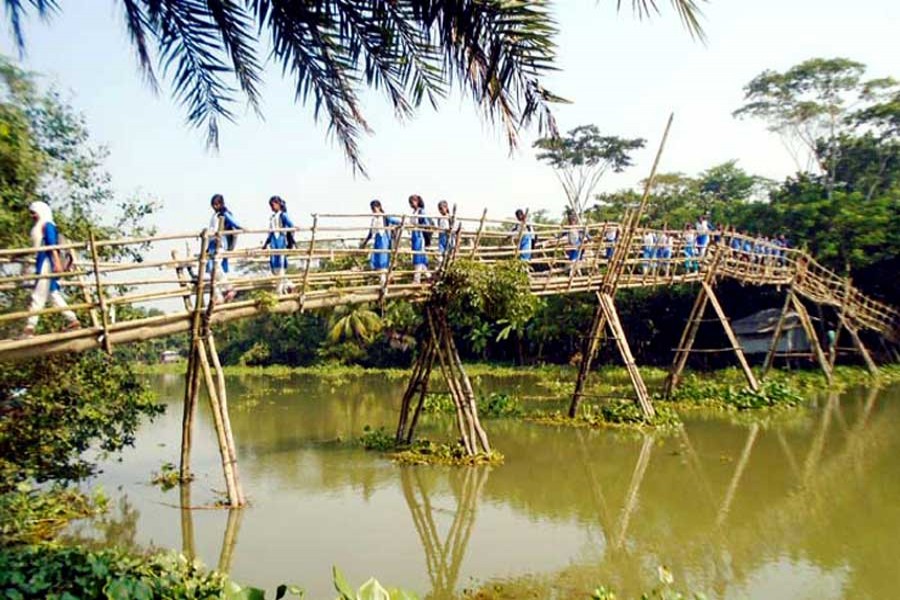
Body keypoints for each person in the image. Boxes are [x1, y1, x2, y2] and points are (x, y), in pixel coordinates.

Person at [20, 201, 79, 338]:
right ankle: (72, 319)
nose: (32, 216)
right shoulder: (41, 226)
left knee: (37, 296)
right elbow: (34, 248)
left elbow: (52, 246)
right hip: (44, 263)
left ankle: (30, 328)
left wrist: (57, 263)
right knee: (53, 295)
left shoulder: (48, 225)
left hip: (46, 264)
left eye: (34, 213)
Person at [207, 194, 241, 303]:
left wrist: (242, 228)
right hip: (212, 244)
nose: (215, 206)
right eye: (213, 205)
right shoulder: (214, 216)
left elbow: (234, 223)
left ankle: (229, 288)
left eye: (217, 204)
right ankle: (218, 296)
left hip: (221, 243)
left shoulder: (224, 214)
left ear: (221, 204)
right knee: (210, 269)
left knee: (216, 266)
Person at [360, 199, 400, 284]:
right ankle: (386, 279)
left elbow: (397, 221)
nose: (374, 211)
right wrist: (364, 242)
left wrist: (396, 228)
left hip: (384, 240)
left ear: (379, 207)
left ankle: (384, 282)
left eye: (374, 209)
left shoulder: (385, 217)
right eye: (372, 210)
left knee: (383, 260)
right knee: (375, 260)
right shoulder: (374, 219)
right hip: (377, 240)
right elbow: (371, 233)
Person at [262, 195, 295, 294]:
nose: (272, 207)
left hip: (280, 241)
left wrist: (289, 239)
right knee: (274, 267)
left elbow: (291, 226)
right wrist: (265, 244)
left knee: (280, 265)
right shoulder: (272, 217)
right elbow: (270, 232)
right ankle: (289, 285)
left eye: (273, 205)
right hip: (273, 242)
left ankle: (279, 291)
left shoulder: (283, 215)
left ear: (278, 204)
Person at [408, 194, 430, 283]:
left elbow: (426, 223)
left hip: (419, 235)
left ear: (417, 202)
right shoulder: (414, 213)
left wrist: (421, 227)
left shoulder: (421, 212)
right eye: (410, 203)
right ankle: (429, 276)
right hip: (414, 235)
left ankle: (416, 279)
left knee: (418, 256)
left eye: (412, 202)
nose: (411, 204)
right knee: (417, 256)